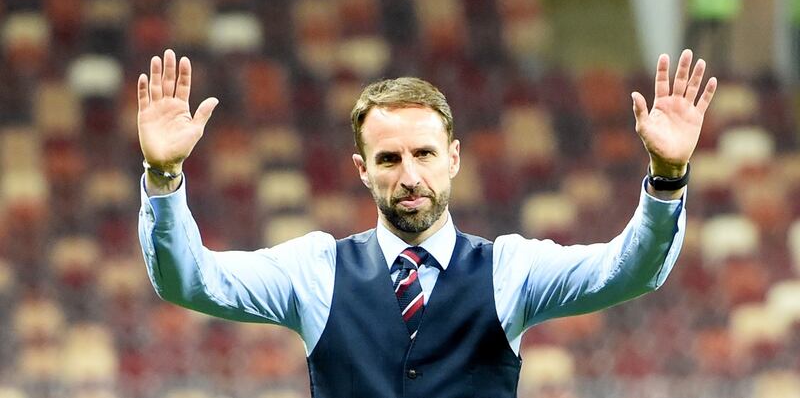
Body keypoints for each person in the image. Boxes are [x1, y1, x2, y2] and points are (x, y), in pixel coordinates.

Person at [136, 48, 716, 397]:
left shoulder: (510, 269)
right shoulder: (314, 270)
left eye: (424, 154)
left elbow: (628, 270)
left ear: (454, 158)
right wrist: (163, 176)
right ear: (362, 170)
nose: (410, 175)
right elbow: (191, 281)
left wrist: (667, 175)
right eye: (389, 159)